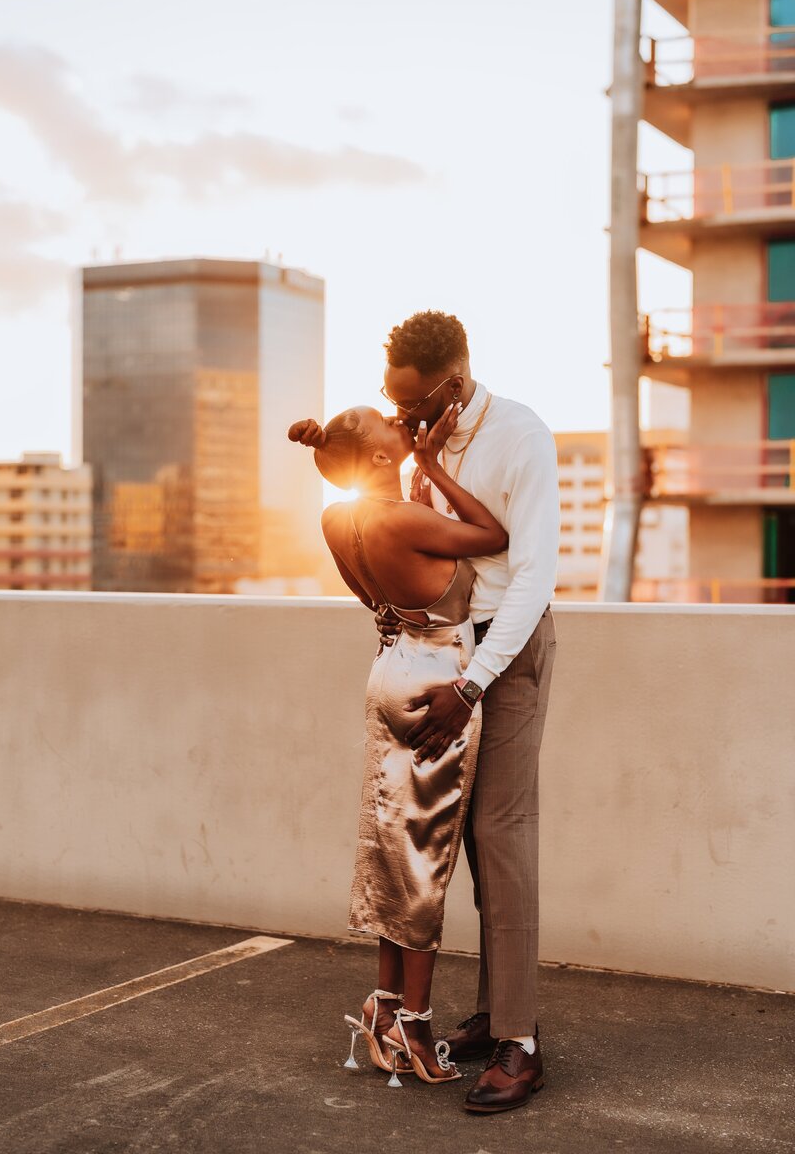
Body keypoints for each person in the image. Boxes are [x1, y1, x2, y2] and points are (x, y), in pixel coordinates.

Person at [291, 310, 559, 1114]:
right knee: (448, 840)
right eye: (390, 402)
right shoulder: (414, 452)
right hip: (439, 662)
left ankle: (521, 1042)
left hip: (502, 657)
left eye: (409, 403)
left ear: (451, 381)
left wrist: (473, 682)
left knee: (500, 836)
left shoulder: (521, 435)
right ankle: (492, 1009)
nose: (400, 415)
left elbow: (531, 571)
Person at [288, 401, 508, 1087]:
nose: (400, 422)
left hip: (388, 668)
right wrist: (434, 462)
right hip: (437, 680)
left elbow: (408, 551)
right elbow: (493, 533)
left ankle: (385, 1008)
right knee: (423, 862)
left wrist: (411, 466)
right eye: (391, 428)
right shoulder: (407, 515)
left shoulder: (339, 519)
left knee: (393, 846)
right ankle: (415, 1025)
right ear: (382, 457)